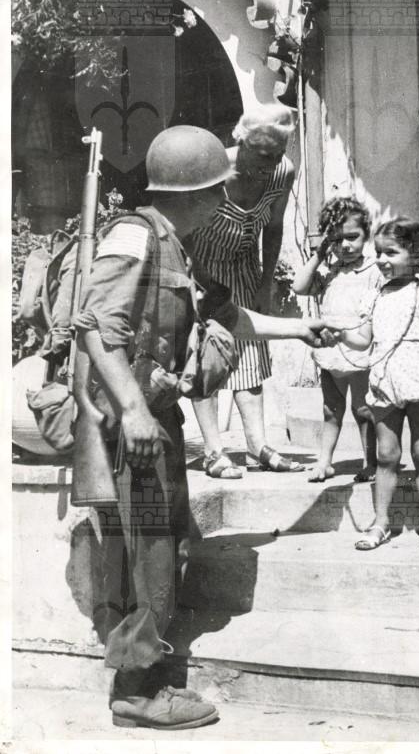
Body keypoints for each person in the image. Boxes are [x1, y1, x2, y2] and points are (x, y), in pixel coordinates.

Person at [74, 125, 325, 729]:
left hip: (153, 421)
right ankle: (137, 691)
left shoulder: (175, 245)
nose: (225, 198)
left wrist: (301, 329)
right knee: (151, 550)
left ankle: (144, 675)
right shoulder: (136, 235)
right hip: (132, 430)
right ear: (196, 193)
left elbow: (226, 315)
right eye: (219, 189)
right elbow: (97, 327)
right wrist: (133, 410)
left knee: (167, 543)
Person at [187, 104, 301, 478]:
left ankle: (257, 445)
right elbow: (185, 231)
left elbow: (275, 227)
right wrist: (204, 285)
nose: (271, 163)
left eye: (278, 154)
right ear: (243, 142)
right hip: (202, 269)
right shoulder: (213, 170)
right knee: (208, 355)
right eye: (263, 155)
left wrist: (266, 283)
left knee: (251, 354)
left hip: (245, 267)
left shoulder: (283, 171)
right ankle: (213, 451)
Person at [331, 216, 419, 550]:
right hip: (383, 379)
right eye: (378, 253)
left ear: (415, 254)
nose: (381, 260)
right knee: (386, 454)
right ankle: (381, 523)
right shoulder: (374, 296)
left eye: (391, 253)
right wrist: (339, 334)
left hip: (418, 378)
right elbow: (363, 340)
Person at [292, 196, 380, 483]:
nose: (345, 245)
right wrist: (319, 253)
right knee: (331, 409)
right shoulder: (329, 273)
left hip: (360, 350)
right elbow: (299, 286)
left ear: (366, 234)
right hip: (331, 351)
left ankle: (371, 462)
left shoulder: (375, 271)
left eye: (352, 237)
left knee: (363, 409)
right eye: (337, 239)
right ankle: (325, 462)